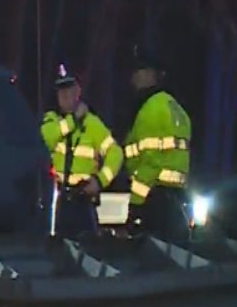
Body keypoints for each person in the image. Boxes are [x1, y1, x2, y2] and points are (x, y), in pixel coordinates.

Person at [39, 64, 122, 238]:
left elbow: (115, 153)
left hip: (83, 201)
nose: (65, 97)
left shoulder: (92, 123)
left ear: (78, 92)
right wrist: (73, 120)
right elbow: (48, 137)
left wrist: (99, 181)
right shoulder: (51, 119)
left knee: (88, 247)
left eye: (69, 91)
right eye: (61, 92)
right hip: (60, 200)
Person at [122, 44, 192, 242]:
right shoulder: (176, 107)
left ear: (150, 74)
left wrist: (135, 203)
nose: (132, 78)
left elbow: (151, 162)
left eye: (138, 71)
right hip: (177, 202)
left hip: (156, 202)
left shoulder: (150, 110)